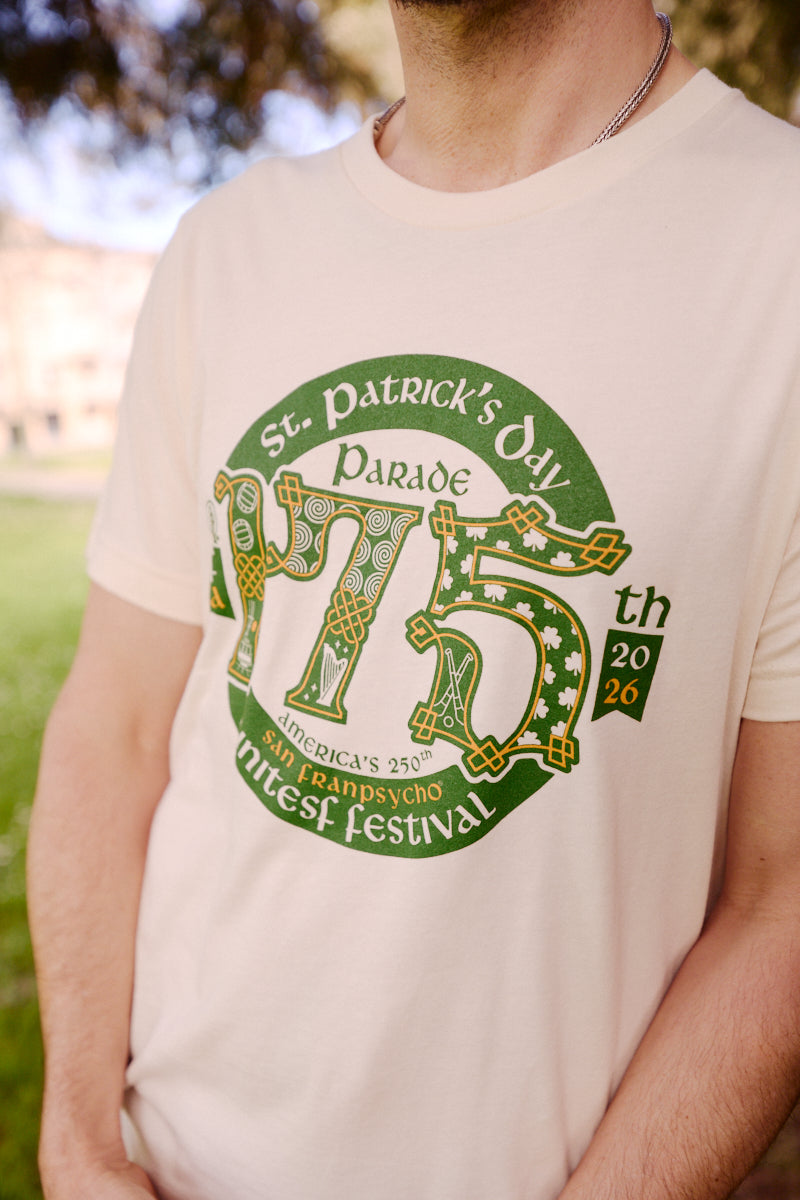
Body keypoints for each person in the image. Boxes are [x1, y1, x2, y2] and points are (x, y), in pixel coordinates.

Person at [27, 1, 800, 1197]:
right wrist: (77, 1135)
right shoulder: (227, 248)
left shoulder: (774, 245)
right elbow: (115, 726)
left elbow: (779, 890)